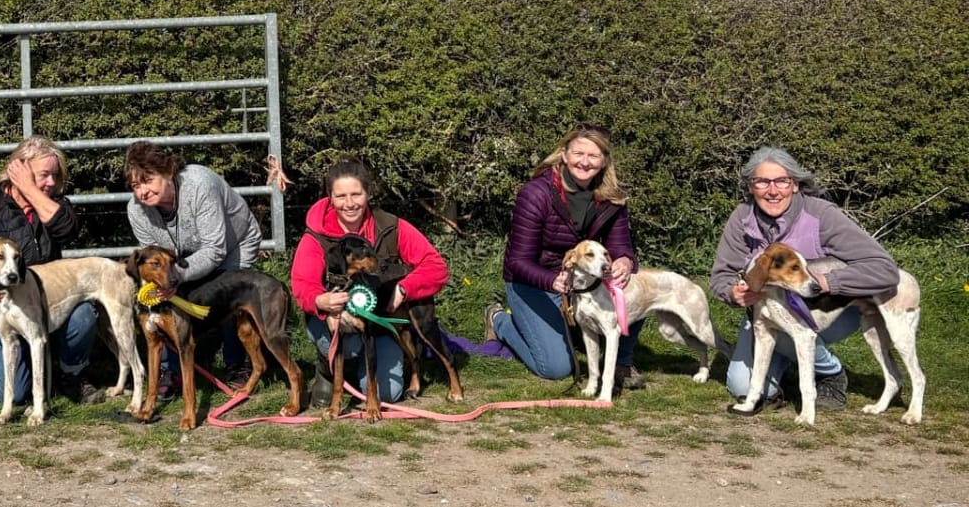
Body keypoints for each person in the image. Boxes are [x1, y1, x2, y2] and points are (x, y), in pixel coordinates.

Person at [710, 147, 895, 412]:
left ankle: (830, 373)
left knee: (795, 331)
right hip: (765, 314)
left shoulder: (822, 214)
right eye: (762, 182)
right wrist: (732, 293)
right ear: (751, 187)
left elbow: (885, 269)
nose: (772, 191)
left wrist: (828, 282)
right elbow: (721, 276)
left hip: (829, 311)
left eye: (782, 181)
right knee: (741, 385)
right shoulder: (742, 217)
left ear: (795, 184)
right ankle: (791, 364)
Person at [487, 123, 648, 385]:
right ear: (564, 154)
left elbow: (620, 245)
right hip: (533, 282)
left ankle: (622, 363)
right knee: (556, 368)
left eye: (593, 155)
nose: (585, 162)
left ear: (604, 161)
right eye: (578, 153)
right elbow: (517, 261)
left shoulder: (614, 197)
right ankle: (499, 321)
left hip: (585, 279)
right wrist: (552, 280)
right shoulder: (535, 194)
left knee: (634, 284)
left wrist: (624, 261)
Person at [0, 137, 102, 407]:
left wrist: (32, 191)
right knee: (14, 395)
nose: (52, 183)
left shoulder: (53, 204)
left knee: (83, 313)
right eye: (44, 175)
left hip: (44, 301)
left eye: (56, 175)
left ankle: (71, 373)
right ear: (18, 170)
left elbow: (67, 230)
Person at [290, 159, 450, 406]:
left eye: (356, 194)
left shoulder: (391, 226)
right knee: (349, 346)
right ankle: (327, 372)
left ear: (368, 193)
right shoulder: (315, 236)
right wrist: (320, 301)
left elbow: (436, 267)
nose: (349, 203)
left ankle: (368, 372)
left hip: (379, 325)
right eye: (341, 196)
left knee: (388, 394)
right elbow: (302, 285)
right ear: (330, 198)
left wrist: (404, 289)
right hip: (331, 321)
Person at [123, 140, 263, 390]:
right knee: (169, 300)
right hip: (182, 255)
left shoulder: (199, 184)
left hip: (233, 243)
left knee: (228, 296)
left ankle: (237, 364)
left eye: (148, 180)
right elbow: (154, 256)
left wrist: (175, 276)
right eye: (135, 185)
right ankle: (173, 369)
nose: (142, 191)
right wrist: (166, 280)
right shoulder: (136, 210)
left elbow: (214, 249)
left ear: (168, 172)